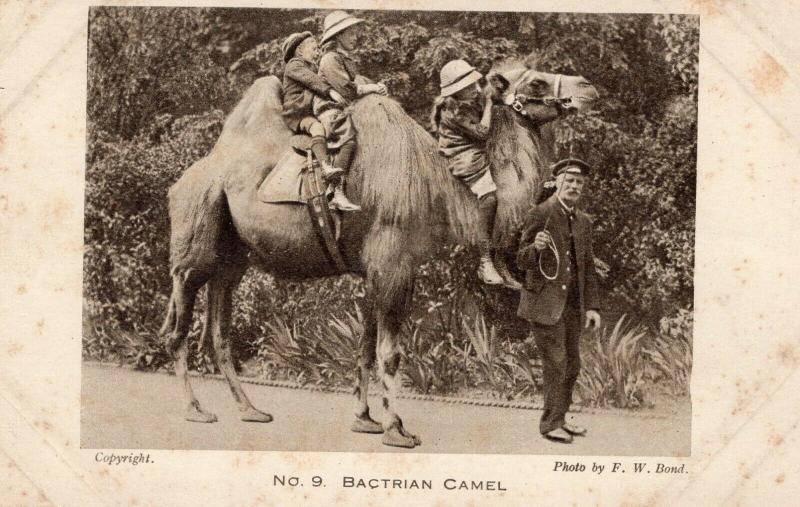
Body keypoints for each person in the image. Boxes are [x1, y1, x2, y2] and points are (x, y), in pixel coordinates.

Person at [516, 158, 602, 444]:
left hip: (571, 307)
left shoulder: (584, 222)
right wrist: (535, 249)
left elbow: (587, 267)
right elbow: (519, 259)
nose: (574, 186)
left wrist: (591, 306)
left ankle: (561, 418)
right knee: (556, 363)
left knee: (572, 365)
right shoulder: (540, 214)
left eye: (579, 182)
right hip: (544, 304)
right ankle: (550, 424)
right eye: (569, 181)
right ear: (557, 183)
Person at [431, 59, 518, 287]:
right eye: (467, 87)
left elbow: (495, 96)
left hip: (480, 147)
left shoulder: (471, 97)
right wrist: (490, 105)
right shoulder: (453, 111)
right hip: (463, 154)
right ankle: (485, 260)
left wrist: (501, 95)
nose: (474, 89)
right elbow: (482, 132)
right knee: (489, 196)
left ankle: (501, 256)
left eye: (473, 84)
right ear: (455, 92)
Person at [315, 10, 388, 211]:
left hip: (343, 108)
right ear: (338, 35)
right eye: (351, 33)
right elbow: (345, 88)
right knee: (348, 139)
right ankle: (335, 191)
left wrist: (377, 87)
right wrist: (371, 88)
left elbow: (356, 84)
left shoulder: (346, 59)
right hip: (329, 109)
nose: (356, 37)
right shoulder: (330, 59)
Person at [280, 31, 347, 182]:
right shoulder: (294, 65)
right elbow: (312, 81)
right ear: (299, 50)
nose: (317, 53)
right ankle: (326, 167)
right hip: (297, 113)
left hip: (308, 109)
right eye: (314, 49)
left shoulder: (310, 66)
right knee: (317, 128)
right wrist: (330, 92)